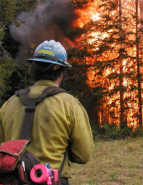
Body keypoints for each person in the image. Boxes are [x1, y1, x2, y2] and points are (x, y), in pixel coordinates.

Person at [0, 40, 94, 185]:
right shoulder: (69, 105)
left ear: (34, 68)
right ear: (61, 72)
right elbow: (83, 154)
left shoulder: (9, 104)